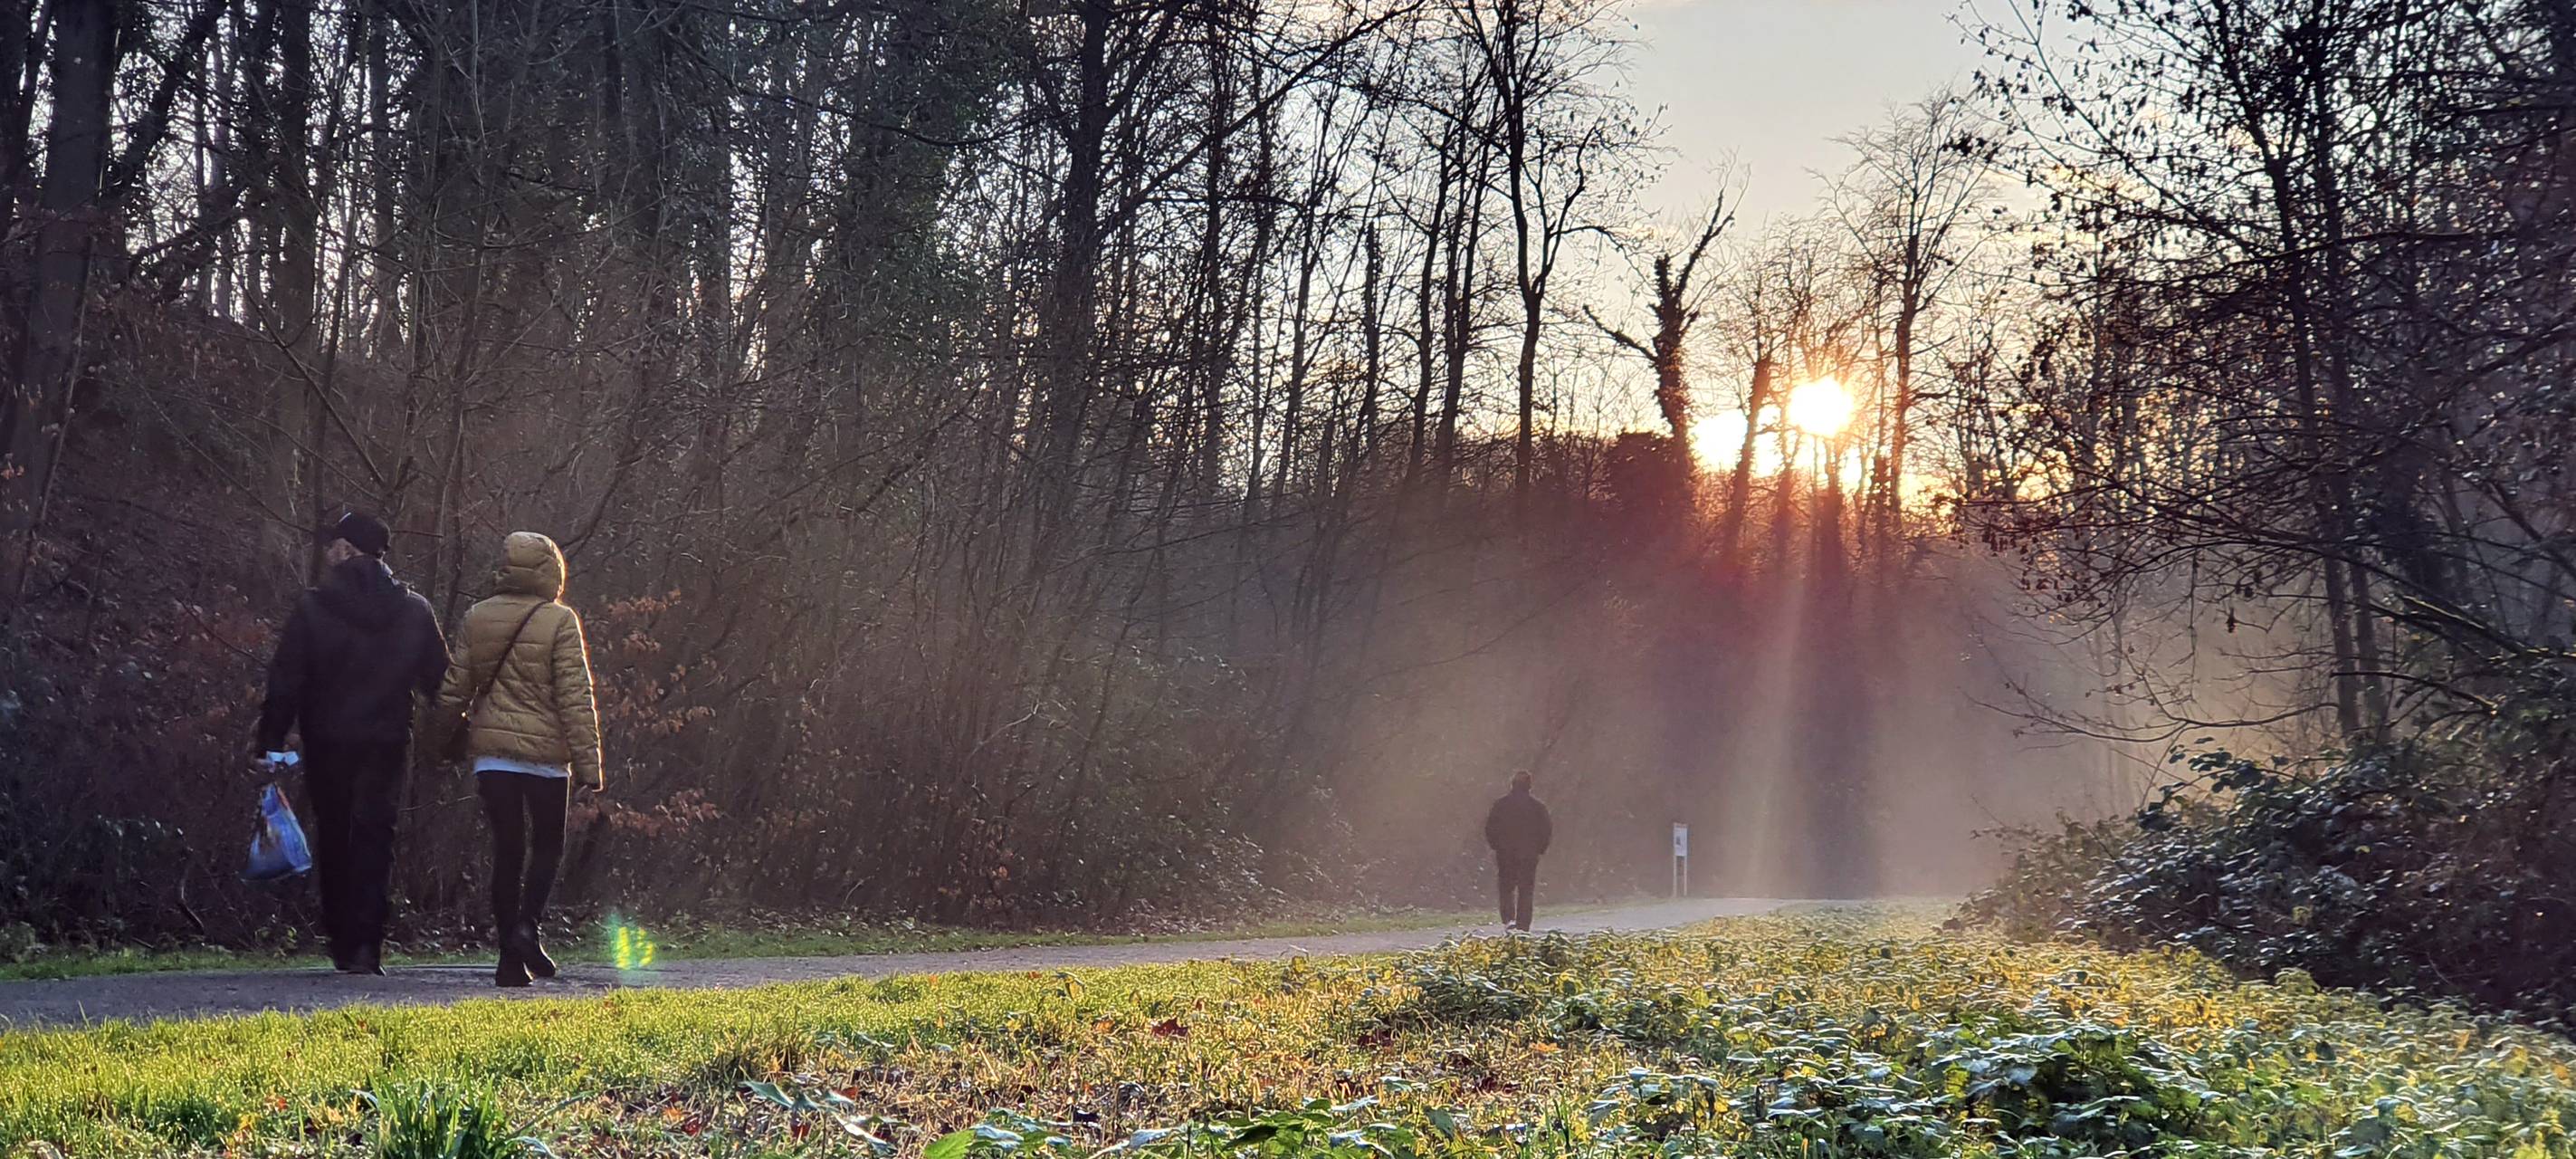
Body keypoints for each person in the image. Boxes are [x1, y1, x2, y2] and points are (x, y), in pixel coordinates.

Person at [254, 511, 450, 975]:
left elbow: (287, 681)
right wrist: (456, 735)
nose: (327, 551)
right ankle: (368, 946)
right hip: (385, 740)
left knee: (336, 833)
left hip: (327, 738)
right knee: (376, 837)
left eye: (334, 543)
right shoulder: (415, 609)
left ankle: (342, 941)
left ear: (348, 549)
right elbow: (440, 682)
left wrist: (270, 740)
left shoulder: (312, 607)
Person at [434, 531, 604, 987]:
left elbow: (455, 689)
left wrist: (436, 742)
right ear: (551, 572)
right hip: (549, 759)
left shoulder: (477, 616)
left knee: (508, 852)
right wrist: (589, 763)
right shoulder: (560, 620)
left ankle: (510, 960)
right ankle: (529, 927)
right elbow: (574, 697)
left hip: (494, 759)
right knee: (547, 846)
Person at [1483, 770, 1553, 933]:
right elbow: (1546, 830)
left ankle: (1509, 919)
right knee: (1526, 890)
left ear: (1512, 785)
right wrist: (1540, 849)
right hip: (1529, 854)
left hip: (1505, 853)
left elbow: (1490, 828)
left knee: (1506, 887)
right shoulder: (1537, 807)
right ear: (1529, 786)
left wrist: (1496, 846)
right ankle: (1523, 924)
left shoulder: (1500, 805)